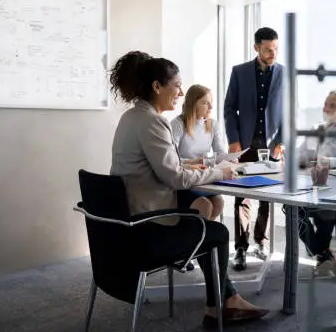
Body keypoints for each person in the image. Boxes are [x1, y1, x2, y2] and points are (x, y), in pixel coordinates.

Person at [109, 51, 268, 328]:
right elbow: (175, 178)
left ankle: (225, 299)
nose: (181, 92)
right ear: (157, 87)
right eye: (177, 85)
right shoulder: (153, 122)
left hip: (128, 221)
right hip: (147, 226)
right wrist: (218, 172)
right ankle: (219, 305)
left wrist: (195, 166)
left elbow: (164, 167)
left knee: (203, 214)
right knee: (217, 232)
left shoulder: (132, 117)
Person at [224, 27, 283, 271]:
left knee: (267, 198)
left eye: (276, 49)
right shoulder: (239, 72)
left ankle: (261, 241)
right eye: (268, 49)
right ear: (256, 47)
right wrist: (233, 140)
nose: (273, 53)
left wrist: (281, 143)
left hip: (272, 146)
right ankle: (240, 247)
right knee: (242, 196)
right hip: (245, 145)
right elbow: (229, 108)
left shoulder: (285, 74)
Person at [293, 90, 336, 281]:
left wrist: (329, 161)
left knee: (326, 208)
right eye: (326, 104)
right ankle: (325, 254)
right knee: (291, 209)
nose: (326, 108)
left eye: (333, 105)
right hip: (311, 187)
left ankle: (324, 256)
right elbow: (301, 154)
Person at [171, 84, 228, 221]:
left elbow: (220, 153)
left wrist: (230, 159)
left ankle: (206, 238)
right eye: (205, 103)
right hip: (185, 181)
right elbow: (172, 159)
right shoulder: (178, 124)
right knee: (204, 205)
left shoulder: (212, 124)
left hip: (203, 179)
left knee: (219, 202)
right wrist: (195, 162)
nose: (211, 107)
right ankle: (197, 238)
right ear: (193, 104)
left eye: (211, 102)